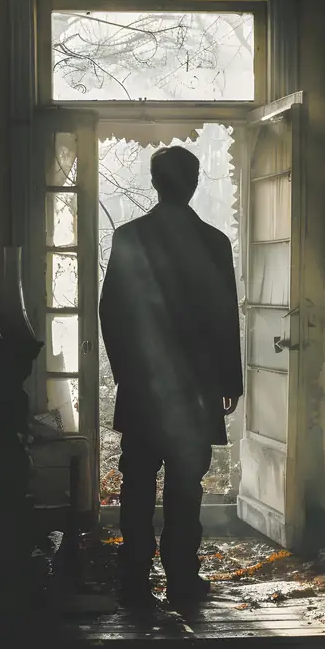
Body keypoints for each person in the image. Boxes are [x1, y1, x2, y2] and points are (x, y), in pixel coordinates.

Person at [99, 145, 243, 611]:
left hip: (143, 386)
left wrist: (126, 372)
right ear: (195, 183)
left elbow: (111, 313)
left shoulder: (129, 237)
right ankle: (182, 578)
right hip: (196, 389)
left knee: (137, 483)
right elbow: (225, 318)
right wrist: (228, 381)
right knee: (186, 487)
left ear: (154, 183)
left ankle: (136, 579)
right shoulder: (214, 243)